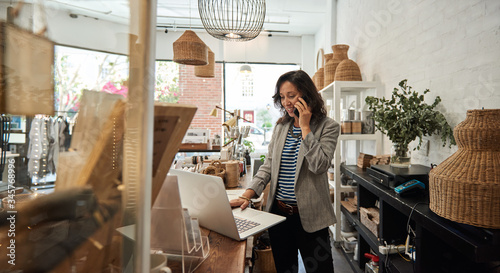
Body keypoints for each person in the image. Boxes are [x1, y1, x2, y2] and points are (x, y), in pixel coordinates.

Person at [230, 70, 340, 273]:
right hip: (279, 216)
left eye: (291, 95)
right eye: (282, 97)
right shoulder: (281, 127)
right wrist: (248, 194)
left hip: (312, 218)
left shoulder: (328, 127)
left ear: (307, 95)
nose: (286, 102)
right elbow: (268, 166)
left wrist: (305, 128)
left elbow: (320, 165)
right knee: (284, 269)